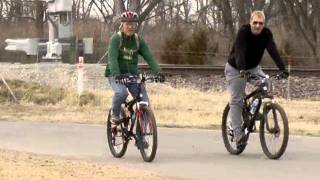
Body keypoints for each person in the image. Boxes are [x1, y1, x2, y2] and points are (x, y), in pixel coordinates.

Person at [224, 10, 289, 147]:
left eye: (260, 23)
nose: (258, 26)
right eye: (255, 23)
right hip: (236, 67)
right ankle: (237, 134)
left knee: (266, 83)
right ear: (250, 22)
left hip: (253, 67)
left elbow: (273, 50)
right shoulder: (243, 32)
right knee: (237, 100)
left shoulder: (266, 34)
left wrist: (283, 68)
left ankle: (252, 111)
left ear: (263, 24)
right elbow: (240, 51)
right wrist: (242, 69)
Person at [105, 11, 163, 123]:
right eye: (127, 24)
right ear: (122, 25)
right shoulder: (116, 39)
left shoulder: (137, 40)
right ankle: (115, 114)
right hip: (116, 74)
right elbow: (112, 59)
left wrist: (158, 72)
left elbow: (149, 56)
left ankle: (141, 137)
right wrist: (117, 74)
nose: (130, 27)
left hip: (132, 75)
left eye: (133, 25)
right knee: (122, 93)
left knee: (143, 101)